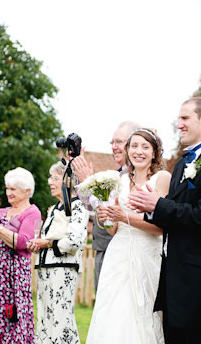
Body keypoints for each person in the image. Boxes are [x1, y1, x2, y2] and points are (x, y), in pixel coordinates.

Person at [129, 98, 201, 344]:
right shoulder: (181, 165)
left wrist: (158, 204)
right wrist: (150, 207)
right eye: (179, 119)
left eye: (185, 118)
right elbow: (175, 212)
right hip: (175, 276)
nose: (179, 125)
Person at [86, 128, 171, 343]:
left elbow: (163, 227)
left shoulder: (162, 178)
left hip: (147, 253)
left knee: (144, 313)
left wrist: (124, 217)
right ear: (127, 151)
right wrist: (106, 215)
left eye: (145, 147)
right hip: (118, 254)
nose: (138, 151)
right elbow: (112, 230)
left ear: (154, 152)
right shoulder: (120, 181)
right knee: (113, 311)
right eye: (134, 146)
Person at [0, 167, 41, 344]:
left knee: (11, 316)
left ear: (27, 191)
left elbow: (23, 243)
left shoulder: (33, 212)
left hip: (15, 272)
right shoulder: (0, 212)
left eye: (13, 189)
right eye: (7, 188)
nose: (8, 193)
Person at [72, 120, 140, 290]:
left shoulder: (135, 176)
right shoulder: (114, 174)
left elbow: (107, 208)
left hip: (119, 250)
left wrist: (89, 181)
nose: (114, 147)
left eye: (119, 142)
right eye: (112, 142)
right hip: (103, 246)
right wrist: (82, 179)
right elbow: (90, 205)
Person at [28, 161, 89, 344]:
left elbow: (74, 241)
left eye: (55, 178)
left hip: (63, 270)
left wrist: (46, 243)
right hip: (45, 269)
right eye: (50, 177)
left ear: (68, 181)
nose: (49, 182)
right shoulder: (55, 208)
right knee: (46, 320)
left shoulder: (78, 205)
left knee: (61, 320)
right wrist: (38, 244)